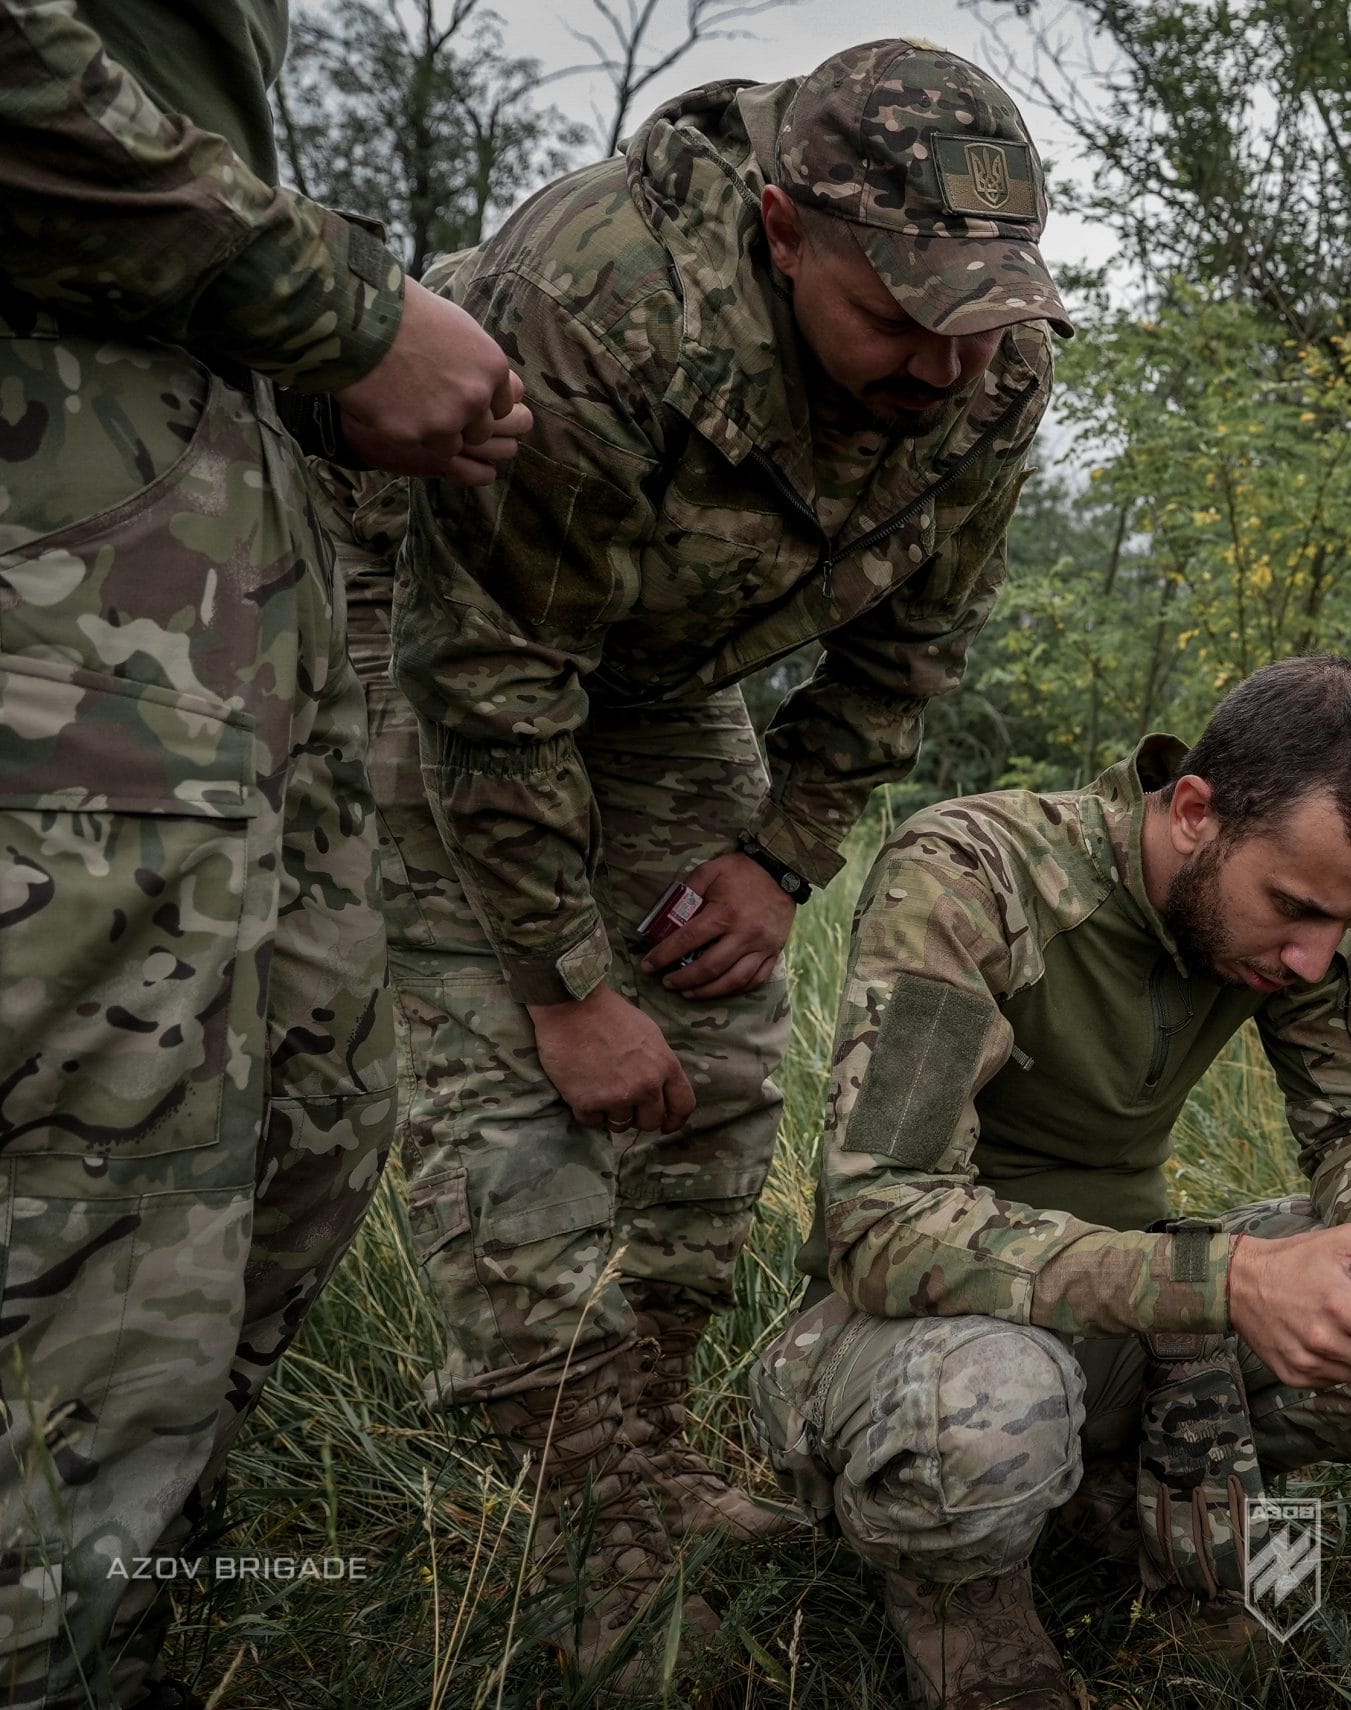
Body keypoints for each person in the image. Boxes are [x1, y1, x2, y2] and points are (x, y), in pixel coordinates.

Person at [360, 36, 1067, 1691]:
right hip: (430, 617)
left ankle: (650, 1441)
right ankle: (596, 1525)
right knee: (510, 1086)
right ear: (782, 230)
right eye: (895, 320)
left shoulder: (990, 359)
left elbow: (911, 652)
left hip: (661, 674)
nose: (940, 370)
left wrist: (776, 861)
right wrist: (561, 987)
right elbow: (488, 678)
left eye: (971, 325)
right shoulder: (597, 305)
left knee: (721, 1057)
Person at [0, 0, 529, 1701]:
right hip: (59, 606)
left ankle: (108, 1621)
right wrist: (344, 312)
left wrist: (312, 390)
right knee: (88, 1224)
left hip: (230, 586)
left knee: (304, 1138)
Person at [754, 657, 1351, 1709]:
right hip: (899, 1339)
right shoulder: (973, 872)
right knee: (991, 1404)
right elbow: (881, 1220)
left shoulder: (1293, 932)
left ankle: (1140, 1502)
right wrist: (1222, 1281)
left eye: (1346, 927)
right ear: (1194, 810)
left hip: (1123, 1326)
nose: (1313, 960)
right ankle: (963, 1592)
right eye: (1292, 908)